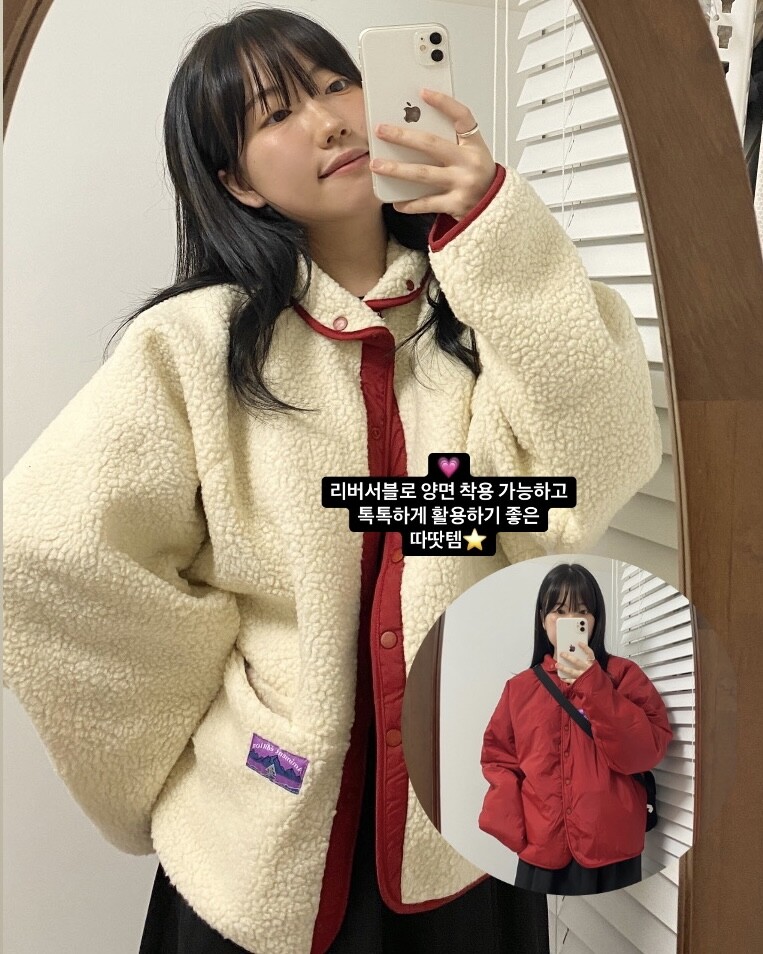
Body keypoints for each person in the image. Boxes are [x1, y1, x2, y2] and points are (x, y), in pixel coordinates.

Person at [3, 7, 662, 953]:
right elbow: (43, 551)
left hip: (459, 833)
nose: (328, 121)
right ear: (237, 181)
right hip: (258, 853)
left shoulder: (482, 314)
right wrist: (195, 734)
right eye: (276, 113)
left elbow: (587, 475)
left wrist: (494, 233)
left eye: (334, 84)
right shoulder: (193, 346)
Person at [479, 563, 673, 895]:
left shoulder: (623, 676)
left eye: (581, 612)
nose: (570, 620)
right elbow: (498, 758)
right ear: (543, 619)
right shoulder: (520, 689)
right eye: (559, 611)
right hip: (542, 845)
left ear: (595, 620)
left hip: (611, 846)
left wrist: (593, 683)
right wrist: (515, 827)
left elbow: (645, 752)